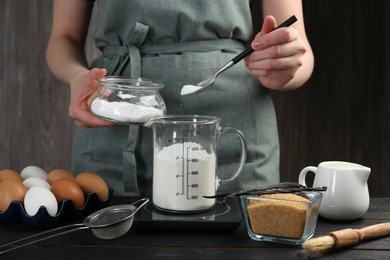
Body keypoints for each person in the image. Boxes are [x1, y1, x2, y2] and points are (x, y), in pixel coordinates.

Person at [46, 0, 314, 197]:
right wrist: (77, 76)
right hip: (115, 124)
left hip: (234, 134)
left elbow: (300, 50)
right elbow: (63, 39)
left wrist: (285, 64)